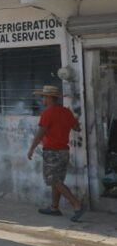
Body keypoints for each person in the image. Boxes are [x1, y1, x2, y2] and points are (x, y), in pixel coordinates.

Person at [27, 85, 85, 222]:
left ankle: (76, 205)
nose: (42, 99)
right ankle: (54, 208)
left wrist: (31, 149)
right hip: (64, 151)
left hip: (52, 151)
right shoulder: (66, 112)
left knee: (54, 180)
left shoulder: (47, 113)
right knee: (57, 180)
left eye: (43, 97)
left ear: (48, 98)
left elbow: (40, 133)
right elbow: (76, 128)